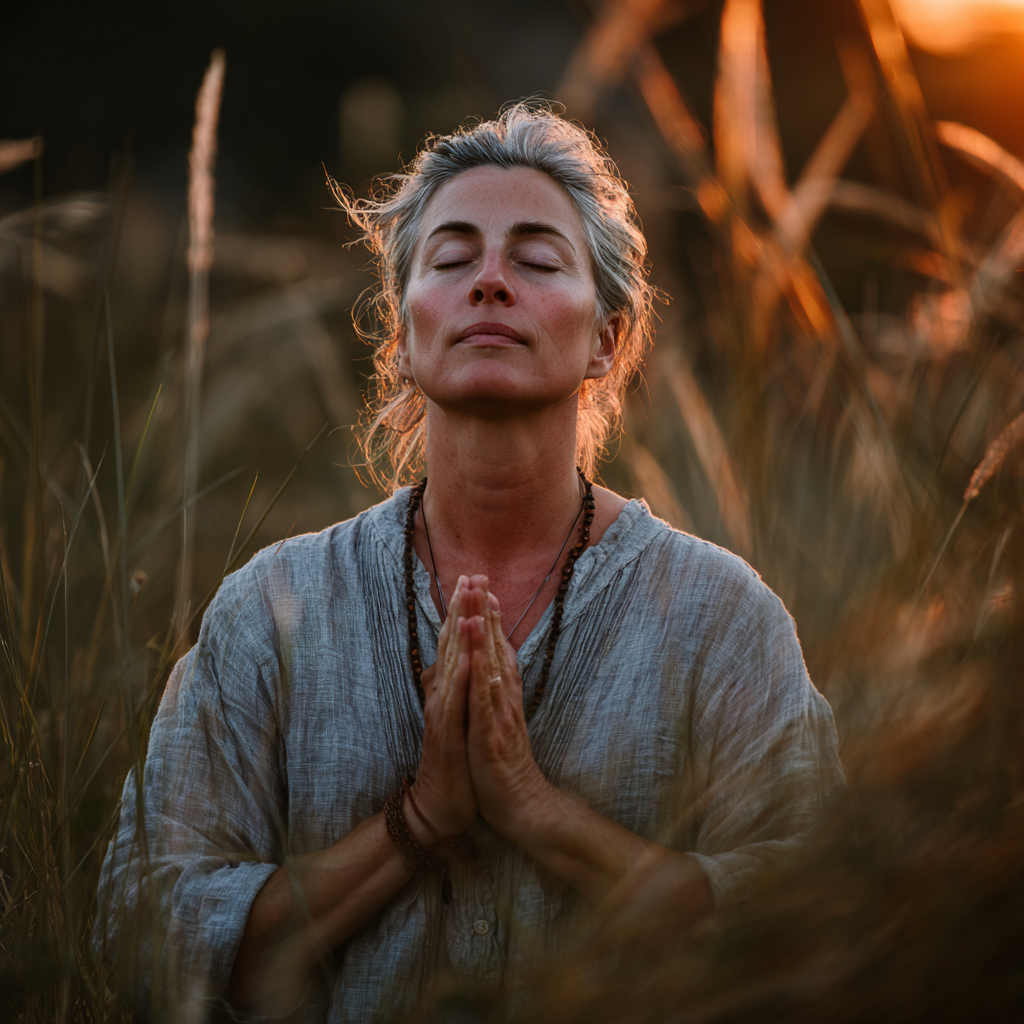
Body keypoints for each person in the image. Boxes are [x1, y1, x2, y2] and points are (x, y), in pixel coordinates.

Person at [94, 102, 844, 1023]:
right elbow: (142, 929)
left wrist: (537, 811)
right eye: (451, 260)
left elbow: (814, 913)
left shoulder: (720, 616)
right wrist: (417, 825)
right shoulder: (273, 610)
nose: (490, 280)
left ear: (607, 339)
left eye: (536, 260)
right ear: (404, 338)